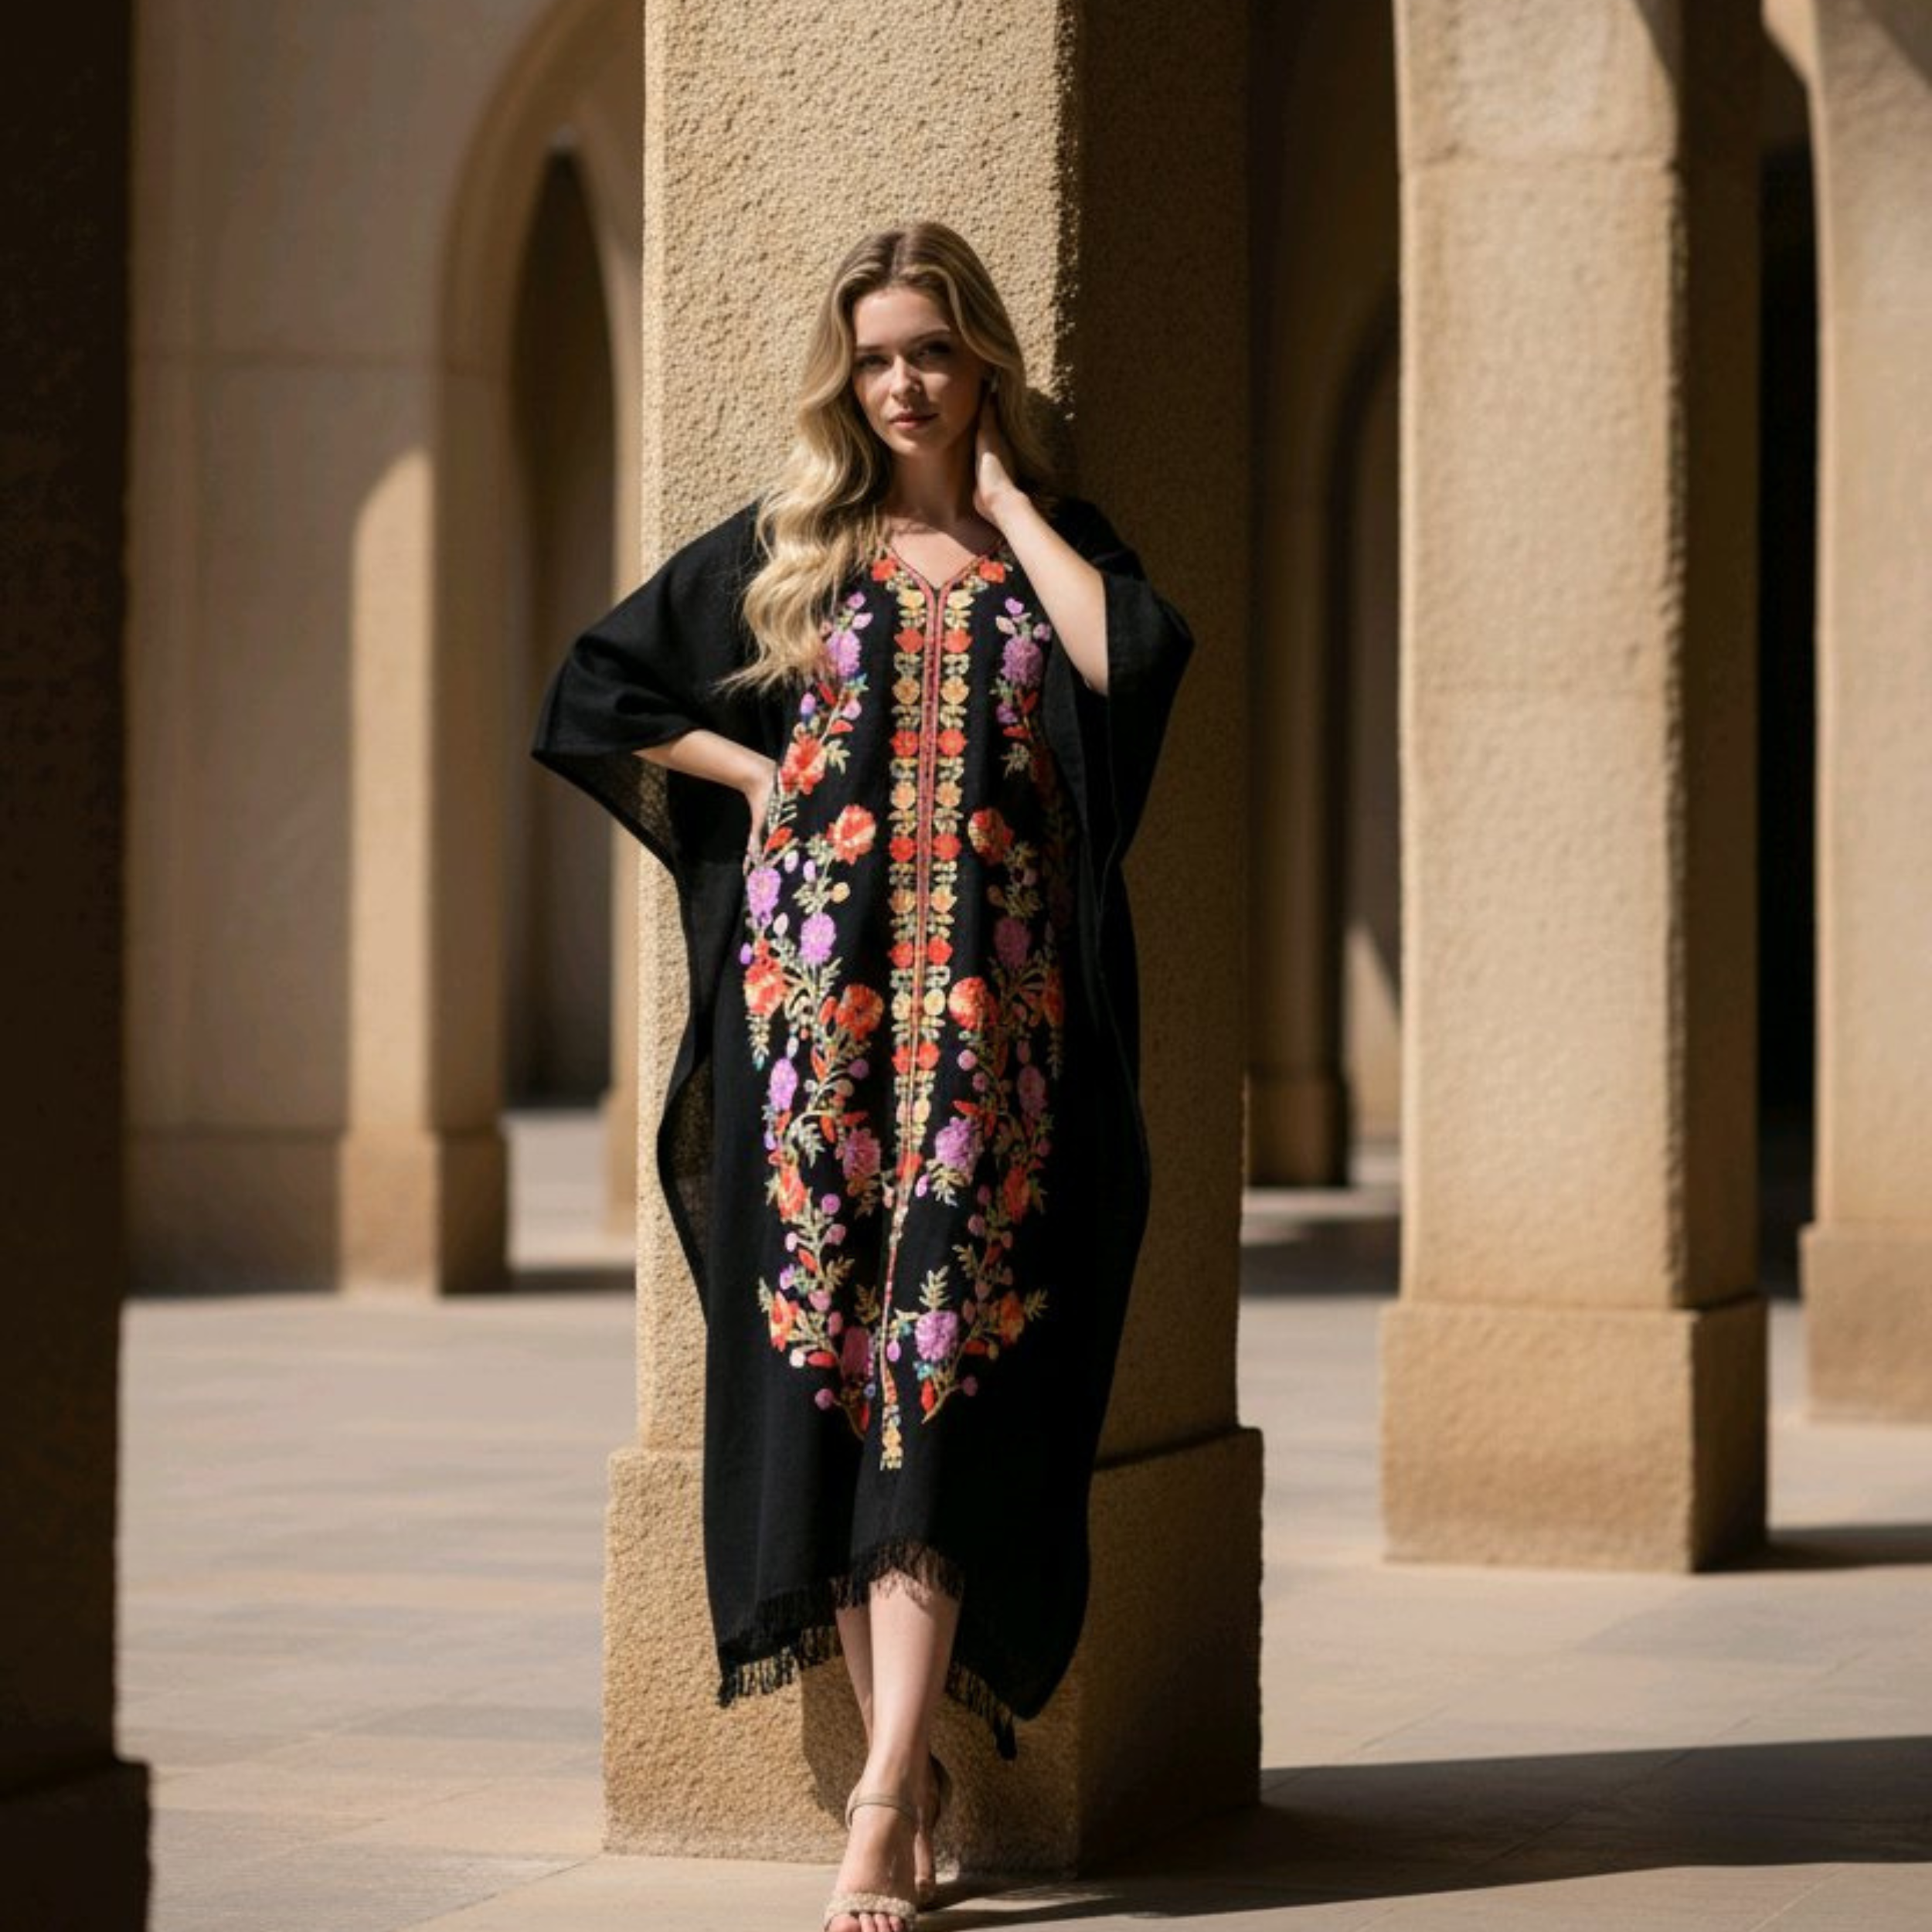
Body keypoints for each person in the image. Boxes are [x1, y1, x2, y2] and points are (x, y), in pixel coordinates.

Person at [529, 218, 1195, 1931]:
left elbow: (1127, 662)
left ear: (983, 364)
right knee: (832, 1382)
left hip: (991, 1062)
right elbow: (592, 692)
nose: (903, 385)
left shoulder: (1050, 554)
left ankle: (886, 1786)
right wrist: (755, 774)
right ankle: (900, 1786)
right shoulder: (791, 549)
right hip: (815, 1047)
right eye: (878, 358)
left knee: (939, 1383)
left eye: (932, 352)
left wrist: (1009, 502)